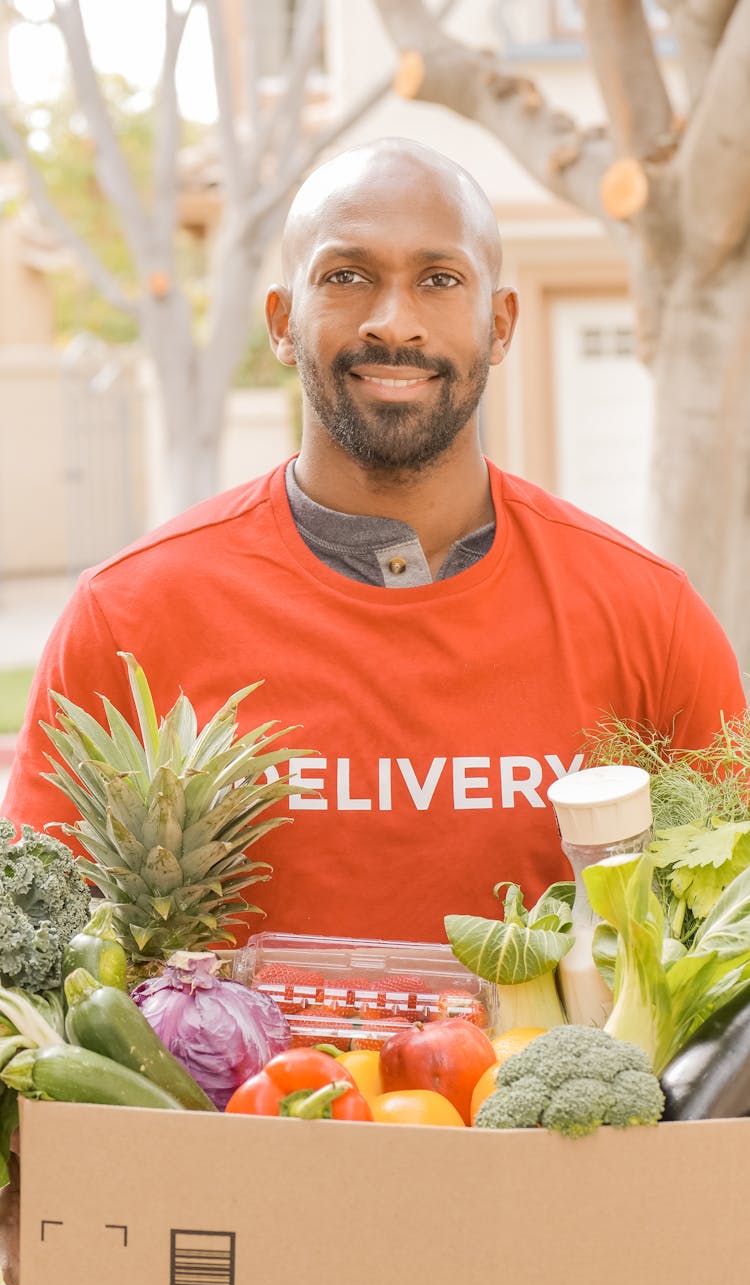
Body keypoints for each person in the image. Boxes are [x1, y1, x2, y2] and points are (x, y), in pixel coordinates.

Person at [1, 136, 745, 948]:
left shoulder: (649, 616)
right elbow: (43, 966)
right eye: (347, 276)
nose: (396, 321)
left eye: (440, 279)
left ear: (499, 324)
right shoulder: (129, 619)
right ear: (284, 322)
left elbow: (726, 949)